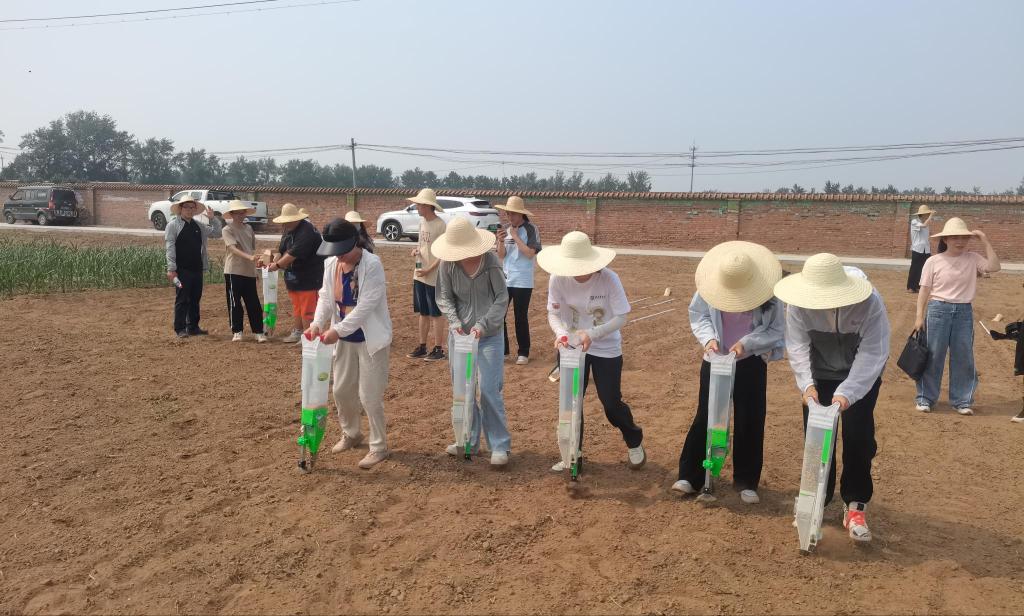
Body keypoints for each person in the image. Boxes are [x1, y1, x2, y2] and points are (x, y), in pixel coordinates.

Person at [774, 253, 891, 543]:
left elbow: (873, 353)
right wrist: (807, 387)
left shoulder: (869, 302)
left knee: (859, 438)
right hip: (819, 376)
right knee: (816, 438)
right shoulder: (799, 303)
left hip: (860, 377)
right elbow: (798, 346)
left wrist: (845, 395)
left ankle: (855, 505)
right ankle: (816, 501)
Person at [672, 241, 784, 504]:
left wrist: (747, 343)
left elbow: (776, 331)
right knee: (706, 415)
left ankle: (746, 481)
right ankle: (691, 476)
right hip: (715, 358)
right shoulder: (710, 287)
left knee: (749, 419)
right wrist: (709, 340)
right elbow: (698, 315)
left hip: (750, 363)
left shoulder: (770, 297)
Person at [538, 231, 646, 473]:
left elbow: (621, 317)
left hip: (606, 348)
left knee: (610, 402)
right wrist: (561, 334)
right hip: (570, 348)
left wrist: (592, 334)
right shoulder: (558, 279)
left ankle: (634, 438)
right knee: (571, 403)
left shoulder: (609, 279)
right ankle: (573, 453)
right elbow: (553, 313)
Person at [306, 219, 393, 469]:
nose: (338, 256)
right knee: (341, 391)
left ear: (354, 243)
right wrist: (317, 323)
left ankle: (379, 446)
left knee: (370, 396)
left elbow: (366, 306)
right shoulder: (331, 264)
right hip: (342, 339)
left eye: (341, 250)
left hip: (369, 339)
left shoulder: (372, 265)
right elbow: (324, 297)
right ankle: (352, 433)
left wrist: (337, 330)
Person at [433, 217, 512, 466]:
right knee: (462, 391)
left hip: (488, 336)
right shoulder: (447, 265)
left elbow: (501, 298)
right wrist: (456, 325)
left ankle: (499, 445)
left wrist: (481, 326)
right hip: (460, 337)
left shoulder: (490, 263)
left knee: (489, 390)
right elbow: (444, 297)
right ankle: (467, 439)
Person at [913, 217, 1001, 415]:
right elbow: (924, 290)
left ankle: (961, 401)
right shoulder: (932, 261)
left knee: (963, 357)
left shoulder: (973, 258)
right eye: (954, 237)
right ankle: (925, 398)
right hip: (937, 311)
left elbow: (995, 267)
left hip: (963, 312)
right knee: (934, 355)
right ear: (945, 239)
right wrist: (919, 317)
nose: (959, 241)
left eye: (963, 238)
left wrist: (985, 240)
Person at [164, 194, 222, 338]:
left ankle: (193, 327)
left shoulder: (199, 225)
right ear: (180, 209)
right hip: (181, 270)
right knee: (182, 299)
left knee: (195, 299)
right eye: (186, 207)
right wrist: (171, 269)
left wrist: (212, 218)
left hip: (197, 268)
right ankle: (180, 328)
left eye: (192, 207)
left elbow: (217, 233)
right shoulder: (173, 225)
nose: (189, 210)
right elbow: (169, 247)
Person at [496, 196, 542, 365]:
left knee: (520, 316)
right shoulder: (506, 229)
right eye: (508, 214)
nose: (510, 217)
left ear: (521, 214)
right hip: (506, 278)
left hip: (523, 280)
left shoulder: (531, 229)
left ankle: (523, 352)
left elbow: (530, 253)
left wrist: (515, 236)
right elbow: (501, 256)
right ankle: (504, 350)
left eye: (513, 214)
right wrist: (501, 241)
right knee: (499, 315)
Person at [268, 204, 324, 343]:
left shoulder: (307, 231)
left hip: (309, 276)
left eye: (287, 221)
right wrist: (275, 258)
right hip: (293, 276)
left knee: (307, 308)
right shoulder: (288, 229)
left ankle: (309, 336)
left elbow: (293, 253)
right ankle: (298, 332)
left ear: (295, 219)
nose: (285, 224)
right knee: (297, 306)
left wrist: (277, 265)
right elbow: (281, 250)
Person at [406, 188, 448, 362]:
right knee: (423, 312)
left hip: (433, 276)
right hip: (419, 274)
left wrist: (430, 269)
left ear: (427, 206)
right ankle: (422, 346)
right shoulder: (422, 223)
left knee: (436, 313)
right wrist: (416, 251)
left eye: (418, 204)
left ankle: (438, 348)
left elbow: (443, 253)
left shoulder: (440, 225)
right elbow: (421, 244)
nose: (416, 206)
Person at [221, 200, 267, 343]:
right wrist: (250, 257)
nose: (241, 215)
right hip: (233, 270)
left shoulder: (249, 229)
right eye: (238, 213)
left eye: (243, 212)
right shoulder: (227, 229)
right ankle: (237, 331)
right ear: (232, 214)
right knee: (235, 302)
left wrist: (257, 264)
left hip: (249, 270)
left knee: (253, 302)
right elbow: (233, 248)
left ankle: (258, 331)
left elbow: (251, 248)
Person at [906, 205, 934, 293]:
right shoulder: (915, 221)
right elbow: (924, 226)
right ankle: (911, 287)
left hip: (926, 249)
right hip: (917, 249)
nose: (928, 215)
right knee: (914, 268)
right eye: (927, 214)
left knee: (924, 269)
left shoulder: (926, 223)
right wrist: (931, 216)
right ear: (923, 214)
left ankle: (918, 286)